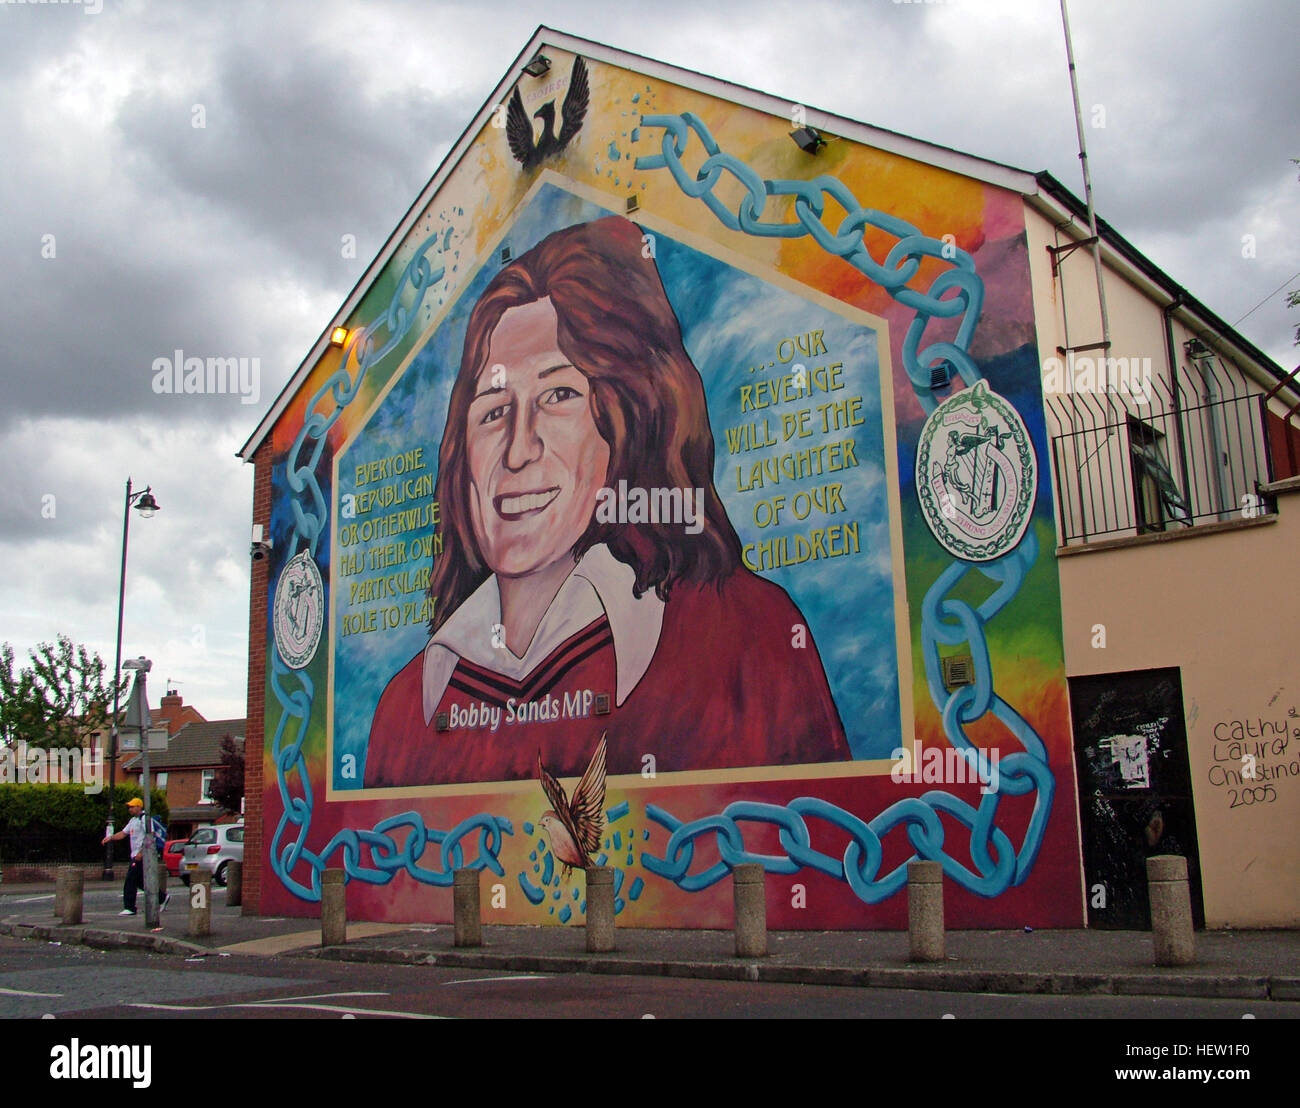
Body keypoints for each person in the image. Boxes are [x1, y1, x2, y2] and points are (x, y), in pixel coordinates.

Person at [364, 215, 847, 788]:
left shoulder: (748, 638)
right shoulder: (409, 708)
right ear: (461, 450)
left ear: (630, 417)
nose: (518, 450)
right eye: (493, 410)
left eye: (559, 394)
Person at [101, 797, 168, 916]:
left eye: (132, 807)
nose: (130, 809)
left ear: (139, 807)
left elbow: (150, 835)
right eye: (129, 807)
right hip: (135, 855)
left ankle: (130, 907)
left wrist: (142, 852)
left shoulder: (144, 819)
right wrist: (110, 837)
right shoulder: (133, 820)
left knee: (130, 881)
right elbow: (123, 833)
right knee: (140, 882)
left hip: (140, 856)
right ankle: (162, 897)